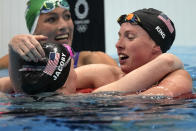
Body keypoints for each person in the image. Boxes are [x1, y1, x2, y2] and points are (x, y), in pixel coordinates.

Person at [0, 6, 192, 97]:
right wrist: (15, 50)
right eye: (119, 36)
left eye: (130, 37)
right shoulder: (106, 73)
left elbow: (149, 100)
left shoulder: (179, 76)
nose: (118, 45)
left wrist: (169, 61)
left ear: (156, 46)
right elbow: (11, 86)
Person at [0, 0, 118, 69]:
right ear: (34, 30)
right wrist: (13, 47)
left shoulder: (94, 61)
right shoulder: (15, 62)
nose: (64, 26)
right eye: (52, 19)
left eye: (67, 16)